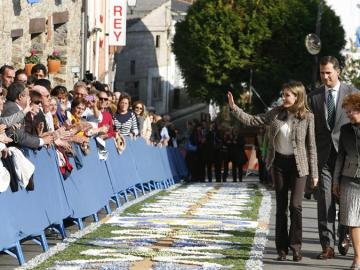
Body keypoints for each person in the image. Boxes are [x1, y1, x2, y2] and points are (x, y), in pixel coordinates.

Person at [228, 81, 318, 262]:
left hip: (299, 165)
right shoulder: (276, 113)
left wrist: (314, 173)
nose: (283, 98)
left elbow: (311, 146)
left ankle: (296, 247)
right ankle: (282, 249)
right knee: (281, 206)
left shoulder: (308, 117)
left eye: (287, 95)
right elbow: (254, 120)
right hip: (279, 164)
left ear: (297, 96)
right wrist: (234, 108)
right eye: (283, 94)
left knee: (296, 205)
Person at [308, 56, 358, 259]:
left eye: (328, 72)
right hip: (324, 157)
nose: (325, 77)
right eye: (322, 73)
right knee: (325, 201)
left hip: (347, 157)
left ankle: (344, 235)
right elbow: (310, 130)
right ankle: (327, 246)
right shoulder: (314, 96)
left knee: (346, 201)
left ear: (338, 71)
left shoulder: (353, 92)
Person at [332, 92, 360, 270]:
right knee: (353, 219)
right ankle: (358, 258)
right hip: (349, 180)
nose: (348, 114)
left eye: (350, 111)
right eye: (347, 112)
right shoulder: (345, 130)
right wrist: (336, 181)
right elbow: (340, 156)